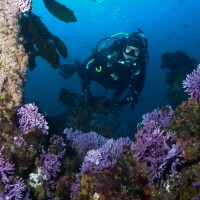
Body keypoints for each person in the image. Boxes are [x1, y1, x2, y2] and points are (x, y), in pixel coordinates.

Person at [76, 28, 148, 109]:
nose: (131, 54)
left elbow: (139, 86)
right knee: (82, 73)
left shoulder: (139, 66)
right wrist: (85, 85)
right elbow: (93, 59)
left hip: (119, 84)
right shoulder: (113, 53)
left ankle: (116, 97)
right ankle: (75, 64)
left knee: (124, 87)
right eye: (129, 49)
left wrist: (124, 102)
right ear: (124, 48)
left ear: (140, 53)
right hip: (100, 75)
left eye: (136, 51)